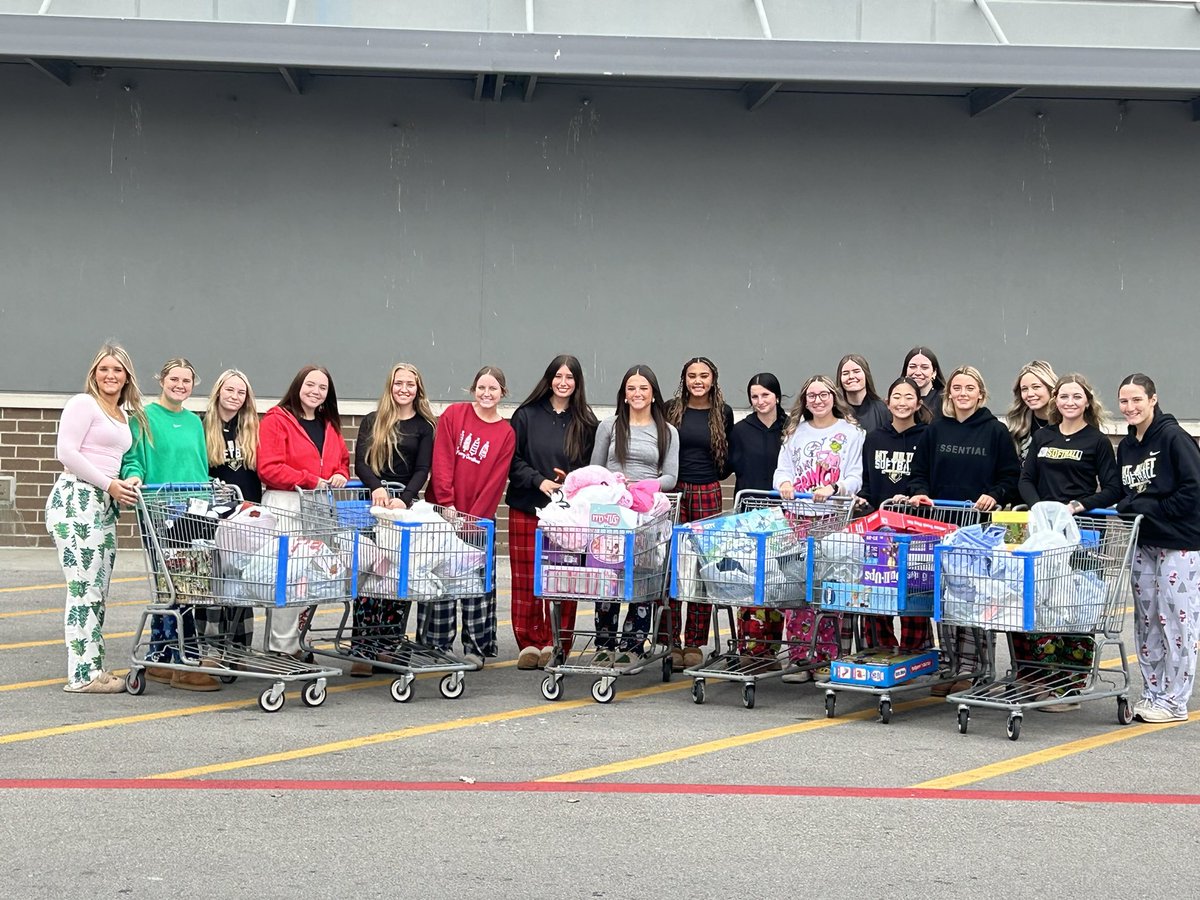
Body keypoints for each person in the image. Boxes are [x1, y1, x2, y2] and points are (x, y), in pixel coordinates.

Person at [907, 364, 1021, 695]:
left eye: (970, 388)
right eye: (957, 388)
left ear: (981, 394)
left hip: (977, 530)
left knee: (974, 598)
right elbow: (919, 472)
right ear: (949, 393)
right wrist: (919, 492)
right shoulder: (936, 430)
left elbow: (1009, 477)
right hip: (941, 525)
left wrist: (995, 495)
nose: (962, 394)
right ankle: (951, 664)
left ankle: (975, 668)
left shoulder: (995, 431)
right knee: (945, 599)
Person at [1014, 373, 1122, 712]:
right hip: (1044, 536)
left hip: (1082, 535)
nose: (1070, 402)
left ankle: (1070, 685)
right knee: (1041, 606)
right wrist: (1039, 509)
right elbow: (1026, 479)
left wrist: (1078, 506)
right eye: (1063, 397)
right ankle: (1041, 678)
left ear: (1087, 402)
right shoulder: (1043, 436)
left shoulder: (1097, 442)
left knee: (1073, 610)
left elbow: (1113, 488)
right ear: (1054, 401)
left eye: (1077, 397)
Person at [47, 343, 145, 694]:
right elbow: (66, 453)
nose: (110, 375)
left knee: (98, 590)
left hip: (105, 502)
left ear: (126, 377)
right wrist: (109, 484)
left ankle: (94, 666)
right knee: (83, 589)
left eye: (118, 370)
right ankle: (82, 674)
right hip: (77, 499)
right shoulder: (82, 404)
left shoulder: (122, 414)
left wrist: (128, 480)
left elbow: (121, 458)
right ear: (94, 373)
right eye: (104, 369)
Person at [121, 357, 216, 691]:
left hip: (194, 514)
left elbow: (199, 466)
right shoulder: (144, 418)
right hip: (161, 512)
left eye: (186, 381)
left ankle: (160, 657)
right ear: (161, 380)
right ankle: (184, 660)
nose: (180, 385)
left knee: (181, 587)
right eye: (174, 379)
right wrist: (133, 477)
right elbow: (132, 458)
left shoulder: (193, 421)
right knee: (178, 588)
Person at [1115, 373, 1200, 723]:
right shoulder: (1126, 447)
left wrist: (1152, 508)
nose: (1130, 407)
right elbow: (1130, 495)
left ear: (1153, 399)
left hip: (1179, 543)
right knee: (1146, 621)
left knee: (1178, 622)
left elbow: (1193, 490)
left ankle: (1175, 700)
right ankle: (1153, 692)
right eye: (1124, 401)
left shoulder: (1174, 438)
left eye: (1137, 400)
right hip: (1144, 543)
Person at [507, 355, 599, 671]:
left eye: (570, 377)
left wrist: (568, 481)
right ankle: (530, 643)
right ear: (549, 379)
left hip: (567, 515)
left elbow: (590, 467)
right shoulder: (525, 415)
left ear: (577, 382)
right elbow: (512, 460)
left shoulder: (586, 421)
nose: (563, 382)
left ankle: (557, 642)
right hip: (527, 505)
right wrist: (540, 481)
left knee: (564, 578)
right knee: (526, 577)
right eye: (558, 376)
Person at [773, 374, 864, 682]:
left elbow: (854, 475)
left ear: (833, 396)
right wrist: (784, 483)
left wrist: (834, 487)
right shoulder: (795, 433)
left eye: (823, 394)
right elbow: (782, 469)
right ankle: (800, 657)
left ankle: (826, 657)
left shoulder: (850, 433)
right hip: (798, 518)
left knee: (828, 588)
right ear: (804, 400)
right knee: (798, 589)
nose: (818, 400)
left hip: (832, 519)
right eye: (811, 395)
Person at [425, 366, 516, 667]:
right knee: (441, 582)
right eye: (481, 387)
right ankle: (437, 643)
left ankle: (475, 646)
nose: (486, 393)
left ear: (503, 392)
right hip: (444, 514)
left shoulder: (506, 433)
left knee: (475, 586)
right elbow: (442, 460)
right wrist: (448, 504)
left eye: (493, 388)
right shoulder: (454, 415)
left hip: (477, 522)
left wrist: (473, 519)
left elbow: (496, 481)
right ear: (472, 389)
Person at [257, 364, 350, 659]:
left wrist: (340, 475)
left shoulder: (329, 425)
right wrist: (311, 479)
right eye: (310, 385)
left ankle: (296, 641)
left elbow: (342, 462)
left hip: (318, 508)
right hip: (286, 505)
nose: (315, 391)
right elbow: (269, 467)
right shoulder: (277, 420)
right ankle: (282, 647)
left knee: (309, 580)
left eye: (322, 388)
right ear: (298, 385)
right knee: (288, 577)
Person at [349, 363, 437, 675]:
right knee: (370, 575)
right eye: (398, 383)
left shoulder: (425, 426)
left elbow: (422, 469)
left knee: (398, 577)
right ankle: (362, 648)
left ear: (418, 389)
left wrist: (405, 498)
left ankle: (388, 646)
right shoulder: (374, 421)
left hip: (402, 510)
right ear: (390, 386)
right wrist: (377, 488)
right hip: (373, 508)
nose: (403, 389)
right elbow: (360, 462)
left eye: (410, 384)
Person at [591, 365, 680, 666]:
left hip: (645, 513)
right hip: (612, 513)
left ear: (653, 394)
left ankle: (635, 643)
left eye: (643, 388)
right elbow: (596, 470)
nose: (637, 393)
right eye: (631, 388)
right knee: (608, 576)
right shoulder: (609, 426)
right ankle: (604, 643)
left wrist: (648, 484)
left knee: (643, 578)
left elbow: (670, 476)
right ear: (624, 394)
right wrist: (613, 484)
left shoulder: (668, 432)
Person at [665, 356, 734, 670]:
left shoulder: (723, 413)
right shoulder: (671, 409)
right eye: (692, 375)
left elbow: (727, 458)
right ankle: (670, 640)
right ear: (684, 379)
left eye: (703, 375)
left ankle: (693, 642)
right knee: (672, 565)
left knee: (704, 568)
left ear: (713, 379)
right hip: (674, 492)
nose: (697, 381)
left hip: (707, 490)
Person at [856, 376, 934, 652]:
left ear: (918, 403)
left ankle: (915, 649)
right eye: (896, 397)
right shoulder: (874, 438)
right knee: (877, 590)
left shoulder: (928, 435)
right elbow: (867, 483)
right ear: (888, 403)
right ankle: (880, 647)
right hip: (880, 529)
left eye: (908, 397)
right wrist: (862, 500)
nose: (902, 402)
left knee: (914, 591)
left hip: (915, 529)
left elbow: (927, 478)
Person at [201, 368, 262, 654]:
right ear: (218, 391)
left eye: (241, 392)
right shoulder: (203, 426)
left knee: (240, 580)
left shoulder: (252, 427)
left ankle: (239, 648)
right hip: (213, 516)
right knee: (215, 579)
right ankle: (212, 646)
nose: (235, 397)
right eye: (230, 390)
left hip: (246, 515)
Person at [728, 373, 786, 662]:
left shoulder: (791, 428)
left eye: (765, 395)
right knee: (748, 582)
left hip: (782, 516)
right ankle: (750, 647)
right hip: (749, 515)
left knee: (779, 583)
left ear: (776, 396)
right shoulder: (740, 430)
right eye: (754, 397)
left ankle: (772, 648)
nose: (760, 401)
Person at [1006, 360, 1057, 461]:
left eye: (1036, 387)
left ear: (1050, 388)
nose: (1030, 394)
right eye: (1024, 389)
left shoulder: (1067, 423)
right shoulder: (1017, 425)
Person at [838, 354, 889, 434]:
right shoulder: (835, 412)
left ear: (866, 375)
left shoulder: (883, 410)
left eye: (856, 371)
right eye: (845, 373)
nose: (851, 376)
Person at [901, 346, 945, 415]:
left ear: (934, 372)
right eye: (913, 367)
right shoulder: (897, 400)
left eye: (924, 367)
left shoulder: (945, 400)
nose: (918, 373)